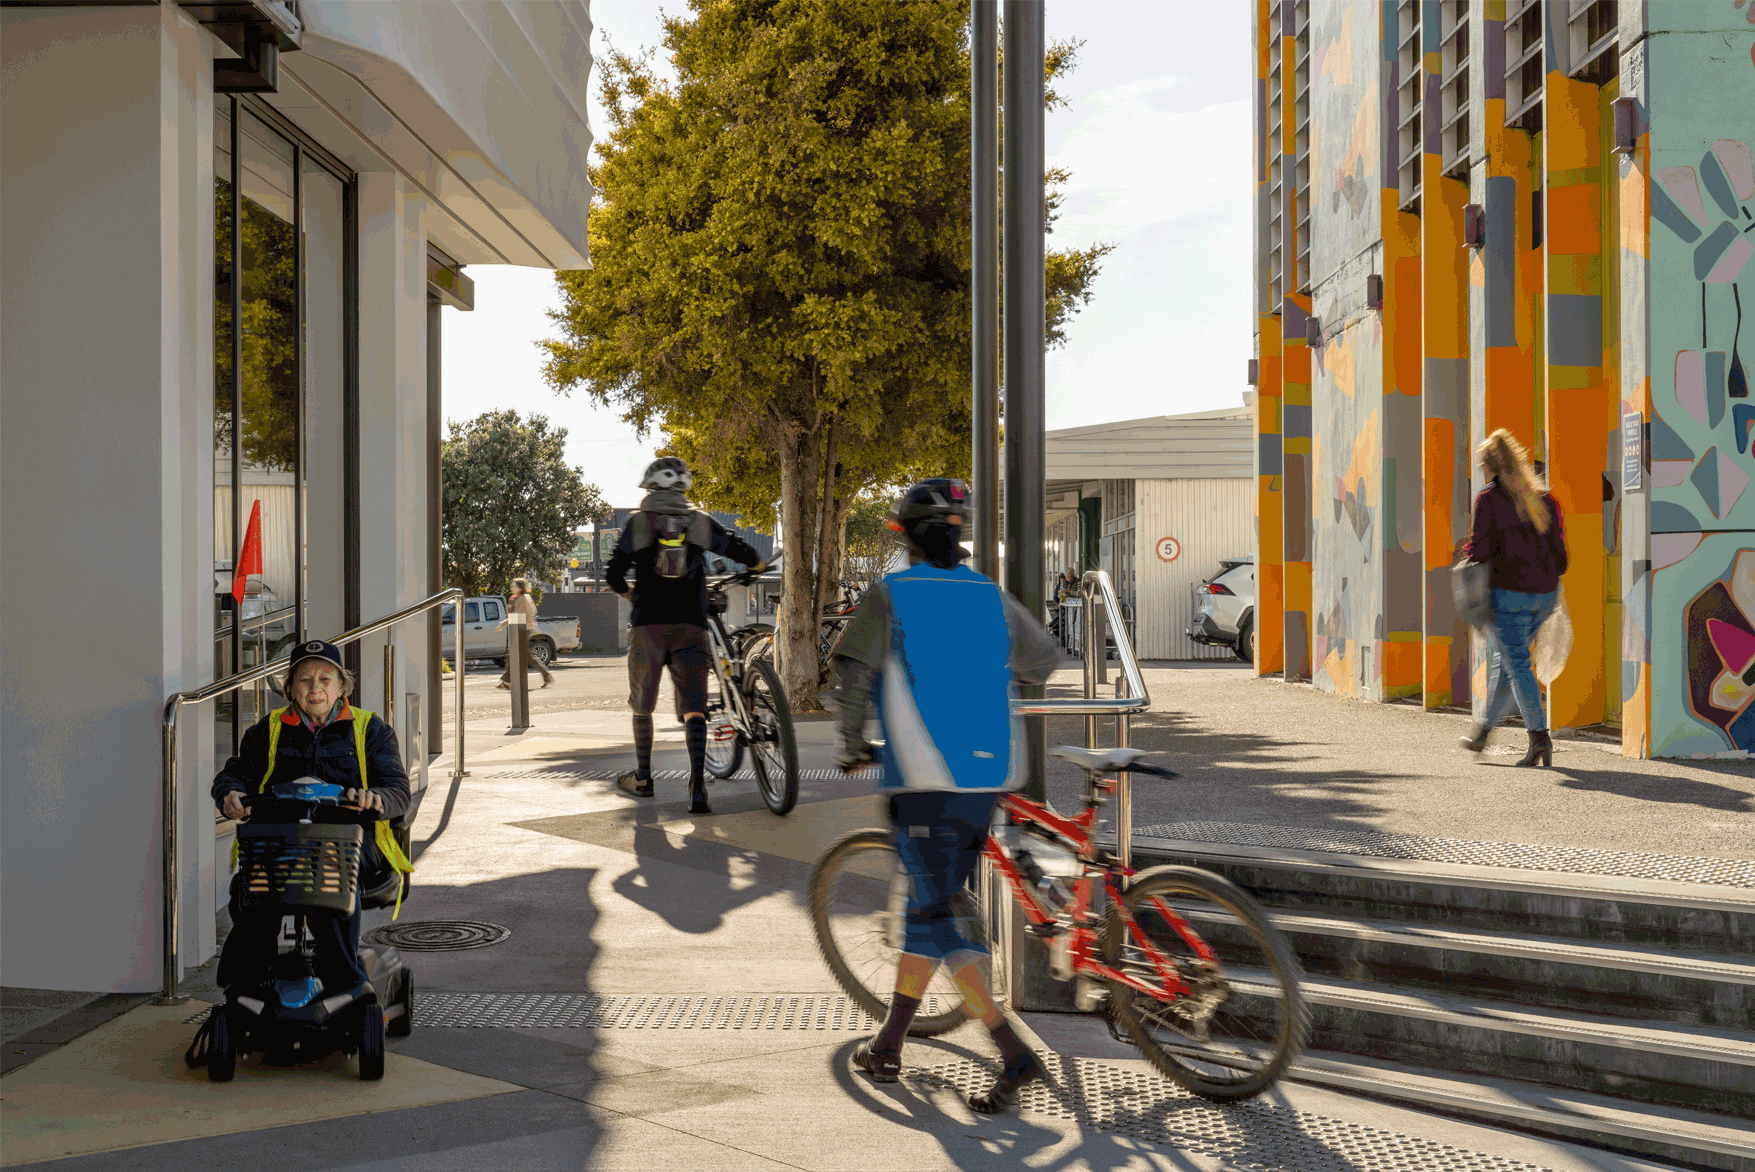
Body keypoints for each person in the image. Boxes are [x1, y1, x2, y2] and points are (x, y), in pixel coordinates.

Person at [831, 478, 1061, 1114]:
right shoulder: (990, 594)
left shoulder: (891, 594)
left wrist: (851, 743)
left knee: (944, 918)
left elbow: (852, 671)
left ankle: (1012, 1052)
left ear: (904, 535)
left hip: (924, 775)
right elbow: (1042, 659)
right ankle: (888, 1045)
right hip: (990, 775)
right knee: (930, 908)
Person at [211, 640, 411, 993]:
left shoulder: (371, 730)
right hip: (281, 840)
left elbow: (398, 790)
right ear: (290, 688)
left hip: (350, 842)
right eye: (304, 680)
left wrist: (375, 798)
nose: (315, 688)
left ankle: (346, 983)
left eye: (325, 679)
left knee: (327, 875)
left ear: (342, 686)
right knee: (250, 888)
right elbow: (235, 774)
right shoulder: (267, 731)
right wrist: (230, 793)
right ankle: (247, 984)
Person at [608, 457, 765, 815]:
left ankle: (643, 778)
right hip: (692, 626)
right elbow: (737, 547)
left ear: (651, 487)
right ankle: (697, 788)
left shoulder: (639, 522)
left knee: (642, 704)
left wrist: (632, 594)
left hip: (648, 627)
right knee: (695, 705)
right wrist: (757, 563)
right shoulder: (698, 521)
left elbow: (614, 573)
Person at [1460, 429, 1569, 767]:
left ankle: (1539, 738)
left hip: (1508, 596)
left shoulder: (1489, 499)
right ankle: (1483, 732)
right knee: (1507, 664)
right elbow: (1561, 557)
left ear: (1489, 465)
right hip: (1545, 596)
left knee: (1517, 665)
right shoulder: (1544, 498)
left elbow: (1481, 550)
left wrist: (1467, 553)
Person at [497, 578, 554, 690]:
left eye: (514, 585)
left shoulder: (523, 598)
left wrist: (503, 624)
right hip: (518, 630)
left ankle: (507, 681)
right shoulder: (516, 598)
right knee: (526, 656)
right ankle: (546, 676)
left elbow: (522, 615)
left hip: (524, 630)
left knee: (516, 655)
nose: (511, 587)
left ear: (520, 587)